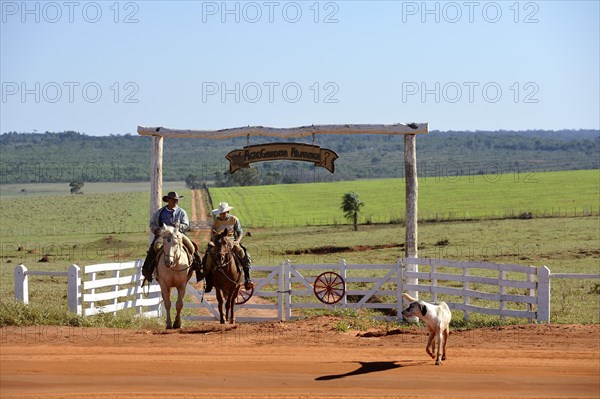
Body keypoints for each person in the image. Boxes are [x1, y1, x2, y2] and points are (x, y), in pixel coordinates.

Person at [141, 191, 202, 284]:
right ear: (168, 200)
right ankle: (147, 270)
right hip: (163, 235)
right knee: (155, 246)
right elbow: (152, 223)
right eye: (173, 200)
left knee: (192, 247)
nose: (175, 202)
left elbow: (186, 225)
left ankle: (198, 269)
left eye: (176, 200)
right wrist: (157, 230)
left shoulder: (181, 212)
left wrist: (180, 226)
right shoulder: (160, 212)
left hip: (178, 235)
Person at [204, 202, 254, 292]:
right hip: (219, 243)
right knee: (208, 258)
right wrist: (212, 242)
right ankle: (209, 282)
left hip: (231, 242)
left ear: (227, 211)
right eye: (221, 213)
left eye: (224, 212)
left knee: (244, 254)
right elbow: (213, 234)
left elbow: (240, 232)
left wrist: (237, 241)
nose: (222, 214)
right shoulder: (216, 221)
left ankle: (247, 279)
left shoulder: (234, 219)